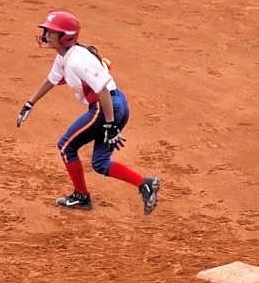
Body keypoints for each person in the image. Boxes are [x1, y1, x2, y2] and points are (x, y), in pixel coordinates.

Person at [17, 11, 160, 214]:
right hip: (116, 104)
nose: (46, 35)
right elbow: (51, 80)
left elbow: (102, 90)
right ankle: (145, 184)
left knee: (66, 146)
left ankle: (81, 197)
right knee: (100, 163)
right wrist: (29, 103)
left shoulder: (77, 60)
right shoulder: (64, 57)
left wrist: (110, 124)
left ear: (66, 36)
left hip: (105, 107)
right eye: (46, 31)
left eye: (52, 32)